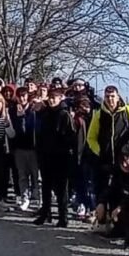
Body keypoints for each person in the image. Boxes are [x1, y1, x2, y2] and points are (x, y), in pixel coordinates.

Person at [86, 85, 129, 200]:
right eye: (107, 97)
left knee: (121, 194)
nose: (110, 99)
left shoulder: (126, 111)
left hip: (123, 161)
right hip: (105, 160)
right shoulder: (98, 115)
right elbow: (90, 138)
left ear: (118, 97)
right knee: (102, 193)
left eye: (113, 96)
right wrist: (99, 151)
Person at [34, 88, 76, 227]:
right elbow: (40, 134)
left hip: (61, 157)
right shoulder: (45, 114)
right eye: (50, 97)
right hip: (46, 156)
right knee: (46, 187)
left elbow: (71, 136)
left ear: (60, 98)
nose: (52, 100)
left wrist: (66, 152)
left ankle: (63, 217)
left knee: (61, 189)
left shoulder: (64, 114)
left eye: (55, 97)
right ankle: (45, 214)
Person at [9, 87, 39, 212]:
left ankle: (38, 200)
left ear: (28, 96)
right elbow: (14, 131)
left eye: (24, 95)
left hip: (33, 148)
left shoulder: (34, 110)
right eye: (20, 96)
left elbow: (34, 129)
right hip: (19, 148)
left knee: (36, 176)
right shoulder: (12, 111)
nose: (22, 98)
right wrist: (20, 117)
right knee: (22, 176)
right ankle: (24, 198)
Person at [72, 97, 96, 220]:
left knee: (90, 183)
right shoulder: (76, 119)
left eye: (86, 106)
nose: (84, 108)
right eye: (82, 106)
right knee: (79, 182)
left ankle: (92, 208)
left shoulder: (95, 118)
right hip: (77, 153)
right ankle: (81, 205)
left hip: (90, 154)